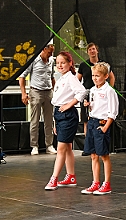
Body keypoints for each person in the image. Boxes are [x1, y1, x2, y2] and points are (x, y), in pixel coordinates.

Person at [45, 51, 86, 190]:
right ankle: (71, 176)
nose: (60, 65)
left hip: (68, 115)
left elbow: (81, 92)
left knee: (61, 148)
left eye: (63, 63)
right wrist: (56, 122)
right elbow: (56, 100)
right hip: (59, 114)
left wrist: (70, 104)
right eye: (58, 63)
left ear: (70, 63)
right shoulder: (61, 78)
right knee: (67, 147)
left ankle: (54, 178)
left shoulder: (71, 78)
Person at [81, 62, 119, 195]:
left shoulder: (109, 91)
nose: (94, 78)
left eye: (97, 76)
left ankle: (106, 183)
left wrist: (105, 127)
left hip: (101, 123)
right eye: (93, 75)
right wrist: (88, 104)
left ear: (106, 76)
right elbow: (95, 105)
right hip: (92, 121)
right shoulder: (92, 90)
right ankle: (95, 182)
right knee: (93, 155)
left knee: (104, 155)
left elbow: (113, 112)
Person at [19, 44, 57, 156]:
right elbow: (22, 77)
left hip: (48, 91)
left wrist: (55, 91)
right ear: (44, 49)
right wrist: (23, 93)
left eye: (52, 53)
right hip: (36, 91)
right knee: (34, 120)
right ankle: (34, 146)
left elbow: (52, 77)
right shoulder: (34, 60)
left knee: (49, 120)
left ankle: (49, 145)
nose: (51, 55)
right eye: (49, 52)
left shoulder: (51, 61)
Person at [77, 43, 115, 148]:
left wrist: (109, 88)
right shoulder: (83, 65)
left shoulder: (104, 65)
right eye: (90, 49)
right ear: (87, 51)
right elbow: (77, 80)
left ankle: (100, 143)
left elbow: (112, 77)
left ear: (97, 50)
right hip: (88, 93)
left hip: (102, 95)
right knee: (86, 119)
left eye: (93, 49)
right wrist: (82, 93)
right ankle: (88, 144)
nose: (92, 51)